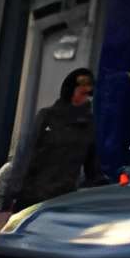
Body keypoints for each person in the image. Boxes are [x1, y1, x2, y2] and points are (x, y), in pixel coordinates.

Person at [16, 69, 100, 208]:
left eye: (89, 94)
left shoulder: (88, 125)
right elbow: (27, 154)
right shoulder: (47, 116)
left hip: (64, 197)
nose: (87, 99)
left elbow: (92, 166)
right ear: (70, 91)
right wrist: (16, 190)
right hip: (34, 195)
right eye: (83, 93)